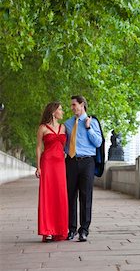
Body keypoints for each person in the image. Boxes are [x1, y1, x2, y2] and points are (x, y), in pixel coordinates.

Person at [64, 95, 102, 242]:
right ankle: (71, 229)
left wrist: (88, 128)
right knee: (70, 196)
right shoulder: (68, 124)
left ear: (82, 105)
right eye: (71, 105)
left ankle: (84, 230)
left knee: (86, 197)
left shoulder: (92, 122)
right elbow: (64, 144)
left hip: (87, 162)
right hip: (71, 162)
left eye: (74, 105)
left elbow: (98, 142)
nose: (72, 108)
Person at [36, 102, 68, 242]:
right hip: (47, 164)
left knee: (60, 195)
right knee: (47, 196)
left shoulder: (64, 127)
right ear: (53, 111)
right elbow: (38, 148)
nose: (62, 112)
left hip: (60, 165)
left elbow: (67, 146)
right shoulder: (42, 128)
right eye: (60, 109)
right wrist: (38, 167)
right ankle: (47, 230)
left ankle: (60, 230)